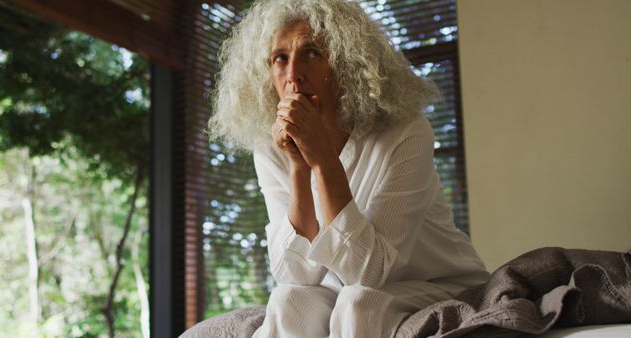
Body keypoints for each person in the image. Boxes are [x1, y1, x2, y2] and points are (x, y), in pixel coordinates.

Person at [208, 0, 489, 337]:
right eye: (280, 58)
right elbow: (295, 274)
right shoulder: (271, 148)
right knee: (287, 300)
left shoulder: (405, 132)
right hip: (343, 288)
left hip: (438, 282)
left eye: (312, 52)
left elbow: (370, 271)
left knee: (360, 303)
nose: (293, 73)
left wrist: (323, 161)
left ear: (347, 64)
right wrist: (299, 166)